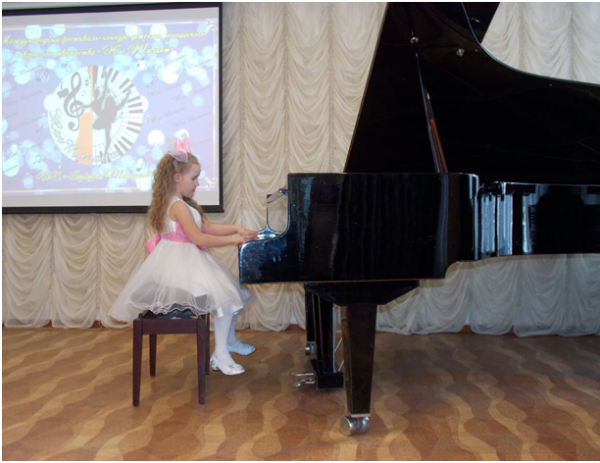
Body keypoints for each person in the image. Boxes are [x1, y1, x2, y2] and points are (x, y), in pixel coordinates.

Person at [109, 138, 258, 375]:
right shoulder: (177, 205)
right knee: (225, 298)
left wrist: (236, 229)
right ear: (178, 178)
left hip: (187, 261)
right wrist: (233, 240)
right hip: (177, 266)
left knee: (235, 293)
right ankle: (220, 355)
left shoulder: (184, 204)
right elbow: (199, 238)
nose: (198, 183)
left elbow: (208, 228)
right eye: (194, 178)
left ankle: (228, 341)